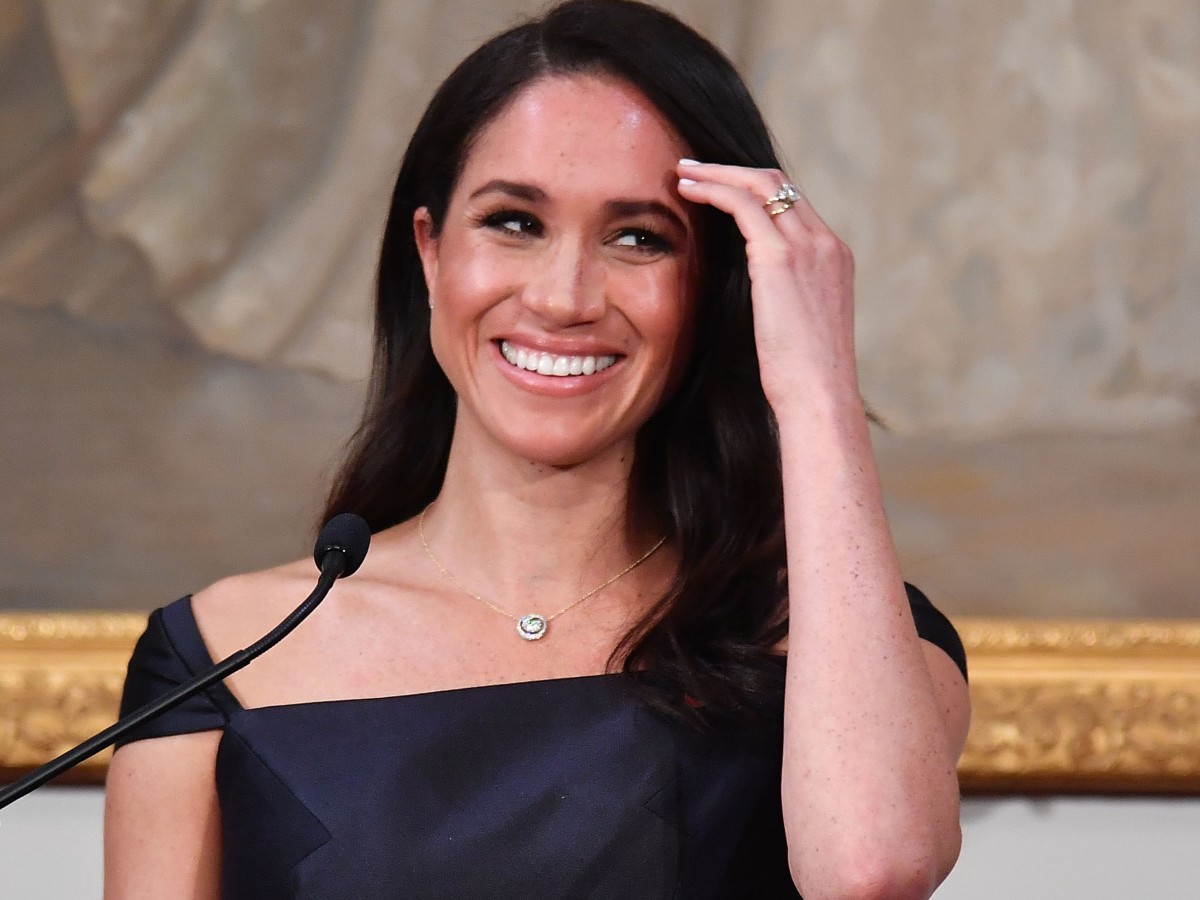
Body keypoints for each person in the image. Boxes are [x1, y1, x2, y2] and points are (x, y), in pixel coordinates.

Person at [103, 1, 970, 897]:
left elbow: (872, 868)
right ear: (430, 251)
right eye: (515, 222)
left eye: (638, 238)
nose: (563, 298)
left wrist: (816, 388)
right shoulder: (217, 655)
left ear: (719, 287)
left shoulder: (842, 641)